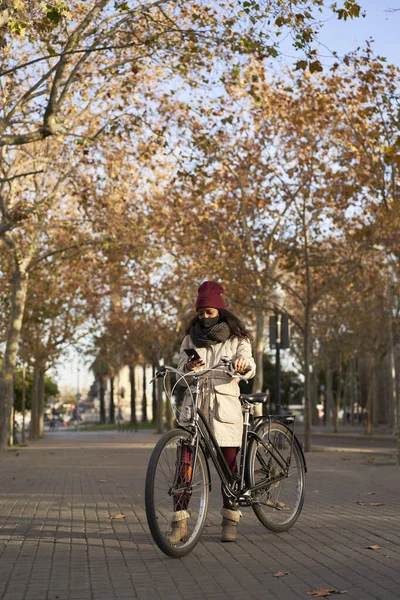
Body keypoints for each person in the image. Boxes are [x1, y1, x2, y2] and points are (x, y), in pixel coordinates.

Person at [171, 281, 256, 544]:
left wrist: (242, 365)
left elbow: (250, 365)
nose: (205, 317)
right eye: (201, 313)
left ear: (220, 311)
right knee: (184, 468)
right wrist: (188, 364)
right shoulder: (190, 338)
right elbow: (180, 367)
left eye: (210, 312)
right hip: (194, 410)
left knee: (228, 470)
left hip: (224, 411)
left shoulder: (238, 339)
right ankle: (179, 522)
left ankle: (230, 519)